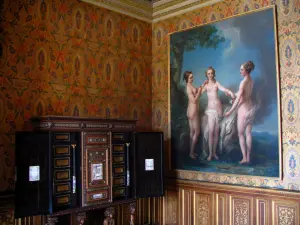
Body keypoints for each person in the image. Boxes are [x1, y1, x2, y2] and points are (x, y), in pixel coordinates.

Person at [224, 61, 255, 164]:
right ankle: (249, 158)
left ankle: (244, 158)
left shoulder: (243, 82)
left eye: (242, 69)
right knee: (248, 133)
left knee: (241, 134)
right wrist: (232, 94)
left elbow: (238, 100)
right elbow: (242, 95)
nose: (240, 71)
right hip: (250, 108)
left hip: (243, 109)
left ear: (246, 70)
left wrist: (230, 111)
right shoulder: (250, 80)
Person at [201, 67, 235, 161]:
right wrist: (202, 85)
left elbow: (224, 89)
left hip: (218, 109)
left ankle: (214, 153)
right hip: (211, 110)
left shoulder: (217, 84)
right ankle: (210, 154)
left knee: (216, 132)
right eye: (208, 73)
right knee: (211, 131)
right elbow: (199, 93)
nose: (210, 75)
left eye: (212, 73)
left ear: (214, 74)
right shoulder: (206, 86)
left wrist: (230, 92)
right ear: (206, 75)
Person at [184, 71, 206, 159]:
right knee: (197, 132)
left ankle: (191, 152)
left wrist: (203, 85)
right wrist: (200, 91)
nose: (192, 79)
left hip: (190, 110)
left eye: (192, 77)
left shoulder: (190, 85)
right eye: (190, 78)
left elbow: (197, 91)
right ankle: (191, 153)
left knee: (192, 132)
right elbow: (194, 100)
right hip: (193, 110)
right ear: (187, 79)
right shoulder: (188, 88)